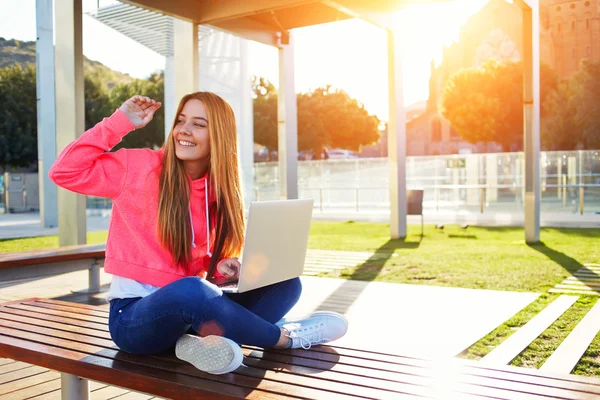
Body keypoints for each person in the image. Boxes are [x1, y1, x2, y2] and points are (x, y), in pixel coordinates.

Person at [49, 93, 348, 375]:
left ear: (219, 135)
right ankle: (286, 337)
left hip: (189, 316)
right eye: (181, 120)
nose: (184, 130)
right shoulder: (138, 167)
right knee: (191, 290)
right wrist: (120, 122)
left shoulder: (217, 191)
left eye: (198, 124)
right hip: (133, 320)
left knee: (285, 283)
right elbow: (64, 171)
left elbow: (197, 269)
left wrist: (221, 270)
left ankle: (193, 344)